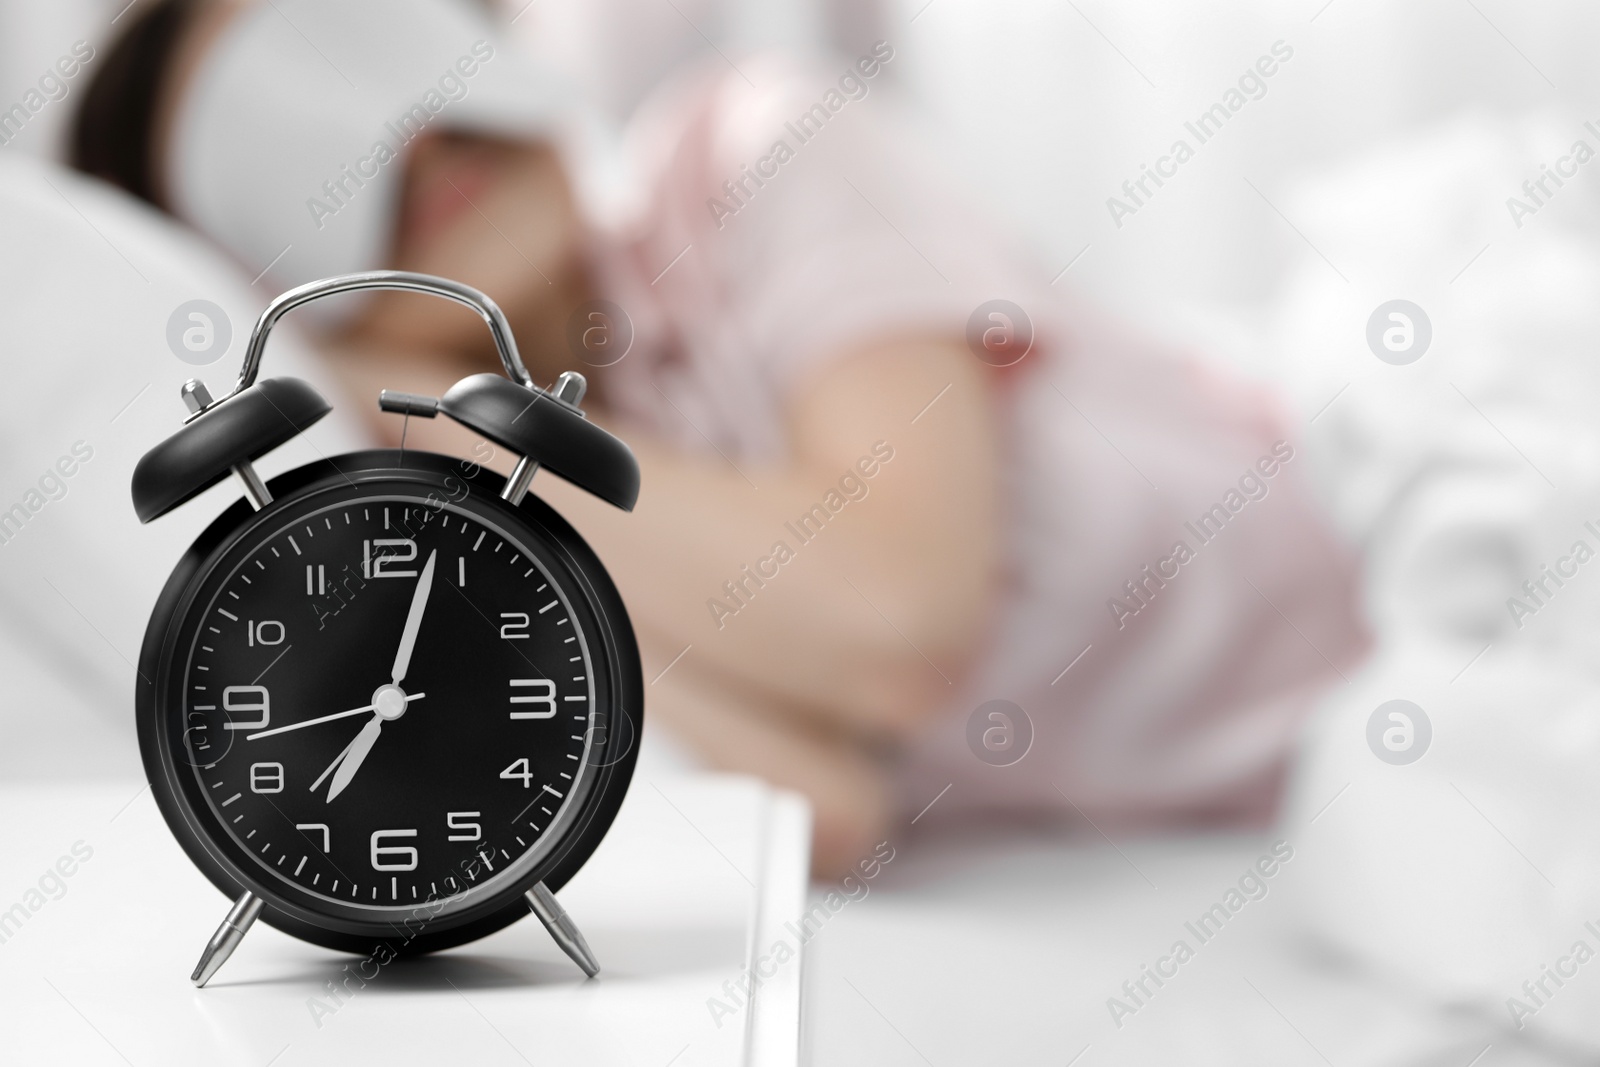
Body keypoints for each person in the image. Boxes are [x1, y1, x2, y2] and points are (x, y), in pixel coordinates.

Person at [71, 0, 1368, 876]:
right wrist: (431, 464)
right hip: (1333, 779)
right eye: (277, 162)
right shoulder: (497, 538)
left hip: (1434, 546)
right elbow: (821, 811)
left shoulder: (750, 146)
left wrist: (434, 417)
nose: (405, 152)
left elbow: (895, 623)